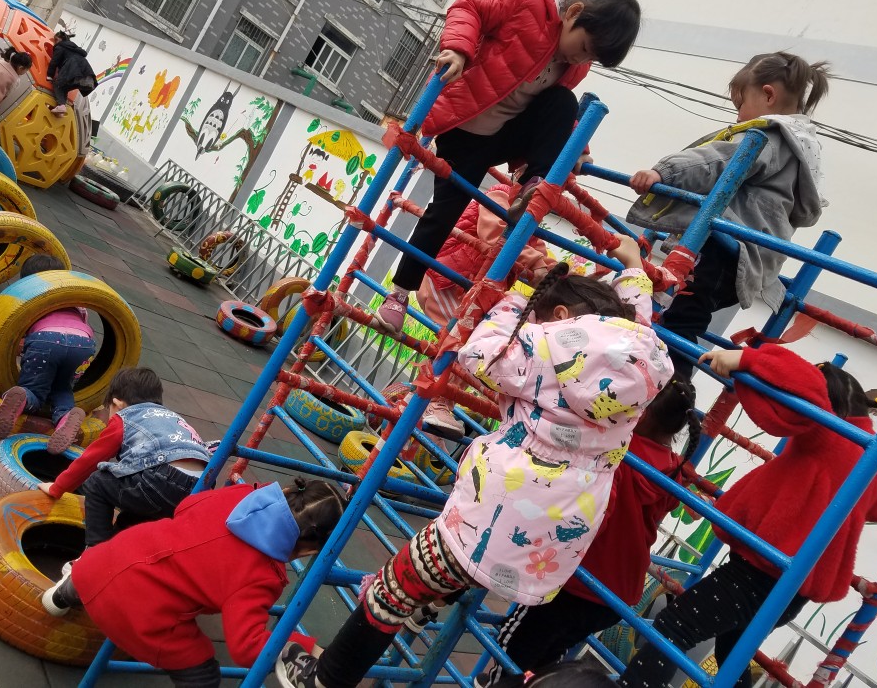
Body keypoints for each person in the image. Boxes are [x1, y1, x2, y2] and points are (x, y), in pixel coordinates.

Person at [276, 236, 673, 688]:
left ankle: (326, 680)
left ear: (561, 317)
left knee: (393, 587)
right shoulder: (645, 362)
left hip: (492, 515)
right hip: (557, 535)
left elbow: (482, 353)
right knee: (465, 568)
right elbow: (638, 321)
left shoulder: (548, 348)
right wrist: (634, 269)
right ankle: (433, 599)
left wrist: (518, 296)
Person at [619, 345, 877, 688]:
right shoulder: (869, 461)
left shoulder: (829, 434)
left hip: (759, 575)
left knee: (674, 627)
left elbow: (803, 382)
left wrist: (744, 359)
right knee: (732, 652)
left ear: (824, 403)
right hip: (788, 590)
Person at [373, 0, 642, 335]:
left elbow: (553, 110)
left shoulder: (575, 63)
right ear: (574, 12)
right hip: (464, 132)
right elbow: (469, 6)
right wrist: (459, 49)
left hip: (506, 134)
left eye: (591, 56)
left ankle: (533, 184)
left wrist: (578, 148)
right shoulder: (531, 3)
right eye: (584, 47)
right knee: (445, 211)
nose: (581, 58)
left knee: (565, 100)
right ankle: (398, 295)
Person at [478, 378, 700, 686]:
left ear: (643, 412)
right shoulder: (675, 467)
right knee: (549, 656)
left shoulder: (616, 449)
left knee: (511, 647)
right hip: (615, 597)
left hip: (578, 580)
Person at [625, 51, 833, 378]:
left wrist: (664, 172)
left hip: (723, 251)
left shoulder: (765, 137)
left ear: (768, 95)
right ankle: (659, 382)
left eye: (740, 105)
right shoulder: (801, 150)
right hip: (747, 265)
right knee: (678, 315)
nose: (737, 117)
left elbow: (715, 161)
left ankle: (671, 389)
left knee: (679, 322)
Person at [41, 478, 345, 688]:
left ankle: (59, 596)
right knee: (203, 677)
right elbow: (245, 647)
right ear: (308, 550)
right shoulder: (261, 576)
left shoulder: (241, 496)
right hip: (140, 614)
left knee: (100, 572)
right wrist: (299, 645)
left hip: (104, 561)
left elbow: (186, 506)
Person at [417, 176, 554, 438]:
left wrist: (559, 275)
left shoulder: (530, 223)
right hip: (446, 280)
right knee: (466, 340)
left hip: (466, 289)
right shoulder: (499, 195)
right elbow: (494, 235)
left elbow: (539, 252)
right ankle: (435, 400)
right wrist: (536, 263)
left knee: (467, 342)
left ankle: (430, 405)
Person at [37, 367, 211, 547]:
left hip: (163, 479)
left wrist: (57, 488)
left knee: (97, 483)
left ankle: (95, 550)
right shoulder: (173, 418)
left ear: (117, 403)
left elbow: (90, 459)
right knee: (133, 519)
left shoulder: (126, 417)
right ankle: (118, 551)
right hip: (199, 490)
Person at [0, 255, 96, 452]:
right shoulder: (75, 297)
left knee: (35, 389)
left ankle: (23, 397)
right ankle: (66, 416)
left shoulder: (29, 296)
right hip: (84, 344)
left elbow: (14, 329)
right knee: (63, 388)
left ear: (27, 280)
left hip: (45, 339)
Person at [47, 30, 97, 117]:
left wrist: (50, 75)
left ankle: (61, 106)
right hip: (86, 76)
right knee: (64, 88)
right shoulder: (74, 48)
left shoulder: (60, 46)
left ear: (61, 39)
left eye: (56, 40)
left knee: (57, 84)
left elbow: (54, 61)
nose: (55, 42)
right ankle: (61, 109)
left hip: (73, 70)